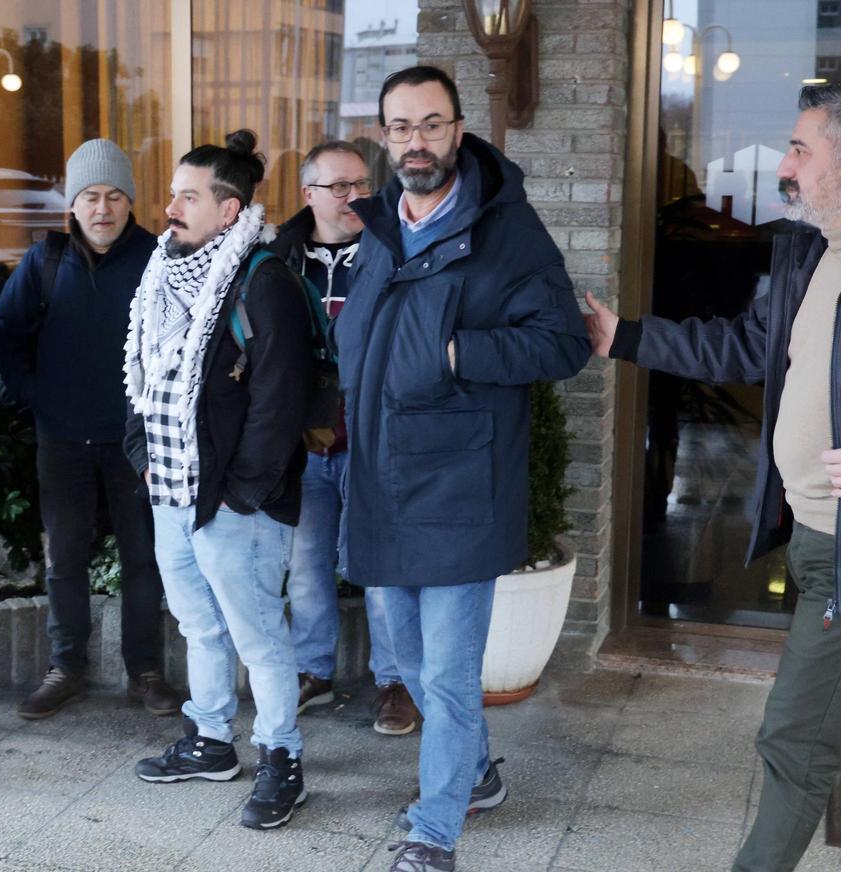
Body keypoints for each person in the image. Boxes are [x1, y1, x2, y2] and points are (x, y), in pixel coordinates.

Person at [586, 83, 841, 872]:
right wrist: (624, 336)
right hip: (814, 535)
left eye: (802, 149)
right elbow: (743, 349)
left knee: (792, 741)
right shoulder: (816, 250)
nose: (787, 166)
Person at [333, 67, 591, 871]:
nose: (417, 142)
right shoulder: (377, 230)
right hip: (381, 480)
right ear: (384, 137)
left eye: (432, 125)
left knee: (445, 676)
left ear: (457, 129)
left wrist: (457, 353)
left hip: (459, 485)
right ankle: (475, 772)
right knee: (407, 662)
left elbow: (565, 341)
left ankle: (433, 830)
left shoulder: (508, 230)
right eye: (402, 127)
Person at [124, 130, 313, 830]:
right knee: (199, 625)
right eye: (174, 192)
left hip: (237, 502)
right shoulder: (162, 271)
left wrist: (241, 494)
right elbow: (143, 373)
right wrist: (140, 450)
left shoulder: (263, 279)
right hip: (171, 489)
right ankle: (210, 741)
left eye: (188, 196)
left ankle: (281, 758)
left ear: (229, 211)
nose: (170, 206)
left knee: (258, 633)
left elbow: (279, 400)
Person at [0, 139, 182, 720]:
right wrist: (37, 398)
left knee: (143, 557)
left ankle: (144, 672)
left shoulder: (158, 259)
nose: (103, 208)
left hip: (137, 443)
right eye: (91, 196)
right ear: (72, 204)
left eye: (115, 196)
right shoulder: (43, 262)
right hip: (64, 439)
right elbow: (4, 336)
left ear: (130, 202)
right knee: (65, 557)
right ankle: (66, 667)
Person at [268, 140, 418, 736]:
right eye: (339, 187)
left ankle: (395, 681)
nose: (354, 196)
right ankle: (313, 670)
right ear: (309, 194)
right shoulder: (277, 255)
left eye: (362, 184)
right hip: (304, 439)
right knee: (305, 565)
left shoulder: (393, 248)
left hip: (374, 436)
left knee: (381, 568)